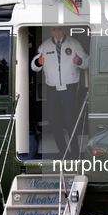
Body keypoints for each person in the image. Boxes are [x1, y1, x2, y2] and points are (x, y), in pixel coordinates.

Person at [31, 26, 89, 156]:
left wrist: (79, 61)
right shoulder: (44, 46)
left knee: (70, 119)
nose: (57, 32)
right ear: (51, 30)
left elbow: (87, 62)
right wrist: (38, 63)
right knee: (53, 119)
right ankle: (62, 150)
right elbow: (34, 66)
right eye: (54, 29)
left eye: (59, 29)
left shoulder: (74, 43)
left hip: (70, 87)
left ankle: (74, 151)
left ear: (64, 29)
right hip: (52, 88)